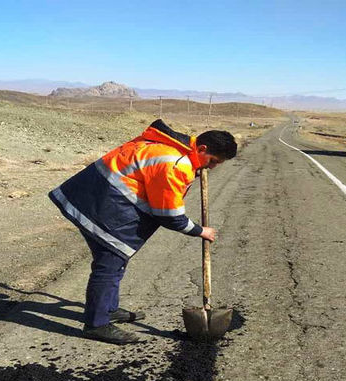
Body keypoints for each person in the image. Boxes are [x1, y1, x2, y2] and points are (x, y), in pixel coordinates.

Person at [49, 119, 237, 344]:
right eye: (212, 161)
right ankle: (96, 324)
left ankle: (108, 309)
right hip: (101, 207)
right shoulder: (175, 162)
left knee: (115, 261)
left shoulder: (172, 147)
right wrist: (200, 231)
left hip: (93, 195)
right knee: (109, 264)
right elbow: (169, 215)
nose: (212, 167)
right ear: (202, 148)